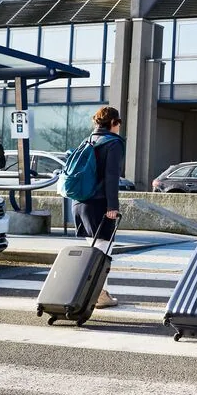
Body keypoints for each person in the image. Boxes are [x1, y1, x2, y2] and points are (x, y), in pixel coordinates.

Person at [72, 107, 126, 309]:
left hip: (80, 203)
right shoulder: (113, 143)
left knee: (94, 250)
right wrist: (112, 206)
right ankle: (100, 294)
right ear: (113, 122)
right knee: (103, 252)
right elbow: (112, 177)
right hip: (99, 205)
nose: (119, 125)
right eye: (118, 121)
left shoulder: (87, 141)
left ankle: (92, 291)